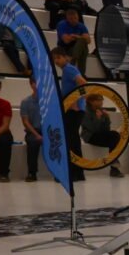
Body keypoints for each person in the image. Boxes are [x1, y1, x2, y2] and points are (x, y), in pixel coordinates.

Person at [52, 45, 87, 182]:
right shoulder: (67, 70)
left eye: (58, 58)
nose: (56, 61)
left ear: (65, 57)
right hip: (71, 110)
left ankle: (74, 173)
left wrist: (74, 102)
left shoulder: (69, 69)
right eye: (54, 59)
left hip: (74, 111)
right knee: (73, 141)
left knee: (72, 141)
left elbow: (83, 84)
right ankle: (78, 173)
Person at [79, 94, 124, 177]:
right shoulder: (85, 112)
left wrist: (106, 118)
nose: (101, 102)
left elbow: (106, 129)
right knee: (114, 138)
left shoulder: (100, 110)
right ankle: (114, 166)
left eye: (102, 100)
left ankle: (113, 163)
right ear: (91, 101)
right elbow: (92, 130)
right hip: (90, 136)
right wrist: (98, 118)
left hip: (99, 134)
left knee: (115, 135)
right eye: (98, 100)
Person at [19, 78, 44, 182]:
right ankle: (32, 173)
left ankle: (59, 172)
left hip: (48, 130)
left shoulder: (49, 101)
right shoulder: (25, 102)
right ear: (32, 84)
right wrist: (37, 135)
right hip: (33, 130)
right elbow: (25, 122)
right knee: (33, 142)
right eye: (36, 82)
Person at [56, 7, 91, 74]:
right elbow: (66, 41)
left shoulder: (81, 25)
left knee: (82, 44)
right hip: (64, 48)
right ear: (67, 19)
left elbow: (88, 40)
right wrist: (80, 37)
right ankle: (81, 74)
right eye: (71, 19)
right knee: (83, 46)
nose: (74, 20)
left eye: (76, 18)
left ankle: (73, 60)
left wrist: (75, 37)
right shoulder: (62, 24)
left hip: (76, 49)